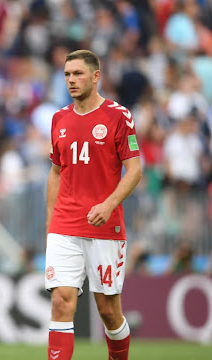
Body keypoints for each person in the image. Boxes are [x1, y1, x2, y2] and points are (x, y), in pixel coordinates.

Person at [45, 49, 142, 360]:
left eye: (78, 74)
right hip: (65, 224)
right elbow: (56, 172)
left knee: (108, 311)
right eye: (67, 74)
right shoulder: (59, 118)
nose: (71, 80)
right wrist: (51, 223)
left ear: (96, 76)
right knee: (61, 301)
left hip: (105, 224)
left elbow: (136, 169)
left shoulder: (118, 116)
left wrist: (108, 203)